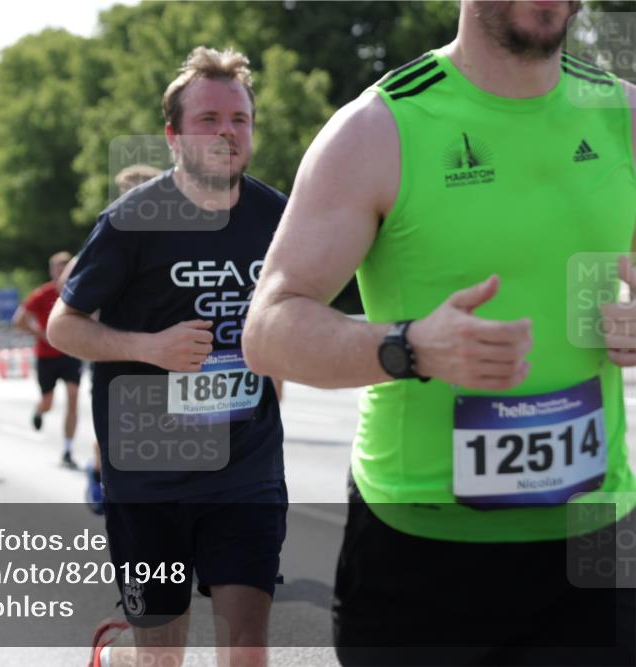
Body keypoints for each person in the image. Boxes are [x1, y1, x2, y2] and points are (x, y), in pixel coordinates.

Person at [243, 1, 636, 664]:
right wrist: (409, 345)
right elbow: (269, 328)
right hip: (422, 551)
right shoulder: (377, 128)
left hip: (596, 540)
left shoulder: (622, 114)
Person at [48, 46, 287, 667]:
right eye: (209, 119)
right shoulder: (131, 221)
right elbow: (62, 326)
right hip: (147, 473)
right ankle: (128, 655)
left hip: (246, 467)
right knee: (164, 658)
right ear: (174, 135)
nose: (227, 132)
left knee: (247, 651)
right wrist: (148, 349)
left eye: (239, 119)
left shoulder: (279, 217)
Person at [60, 164, 164, 514]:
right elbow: (69, 290)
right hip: (115, 355)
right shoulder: (108, 237)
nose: (137, 199)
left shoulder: (175, 238)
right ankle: (99, 468)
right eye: (130, 192)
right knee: (115, 439)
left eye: (145, 190)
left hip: (166, 358)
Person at [14, 251, 83, 469]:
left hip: (70, 354)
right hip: (46, 356)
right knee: (48, 403)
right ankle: (39, 410)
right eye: (58, 268)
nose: (62, 271)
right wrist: (42, 333)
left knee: (73, 398)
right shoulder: (42, 294)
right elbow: (19, 320)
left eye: (66, 267)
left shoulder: (80, 292)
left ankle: (68, 449)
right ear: (52, 271)